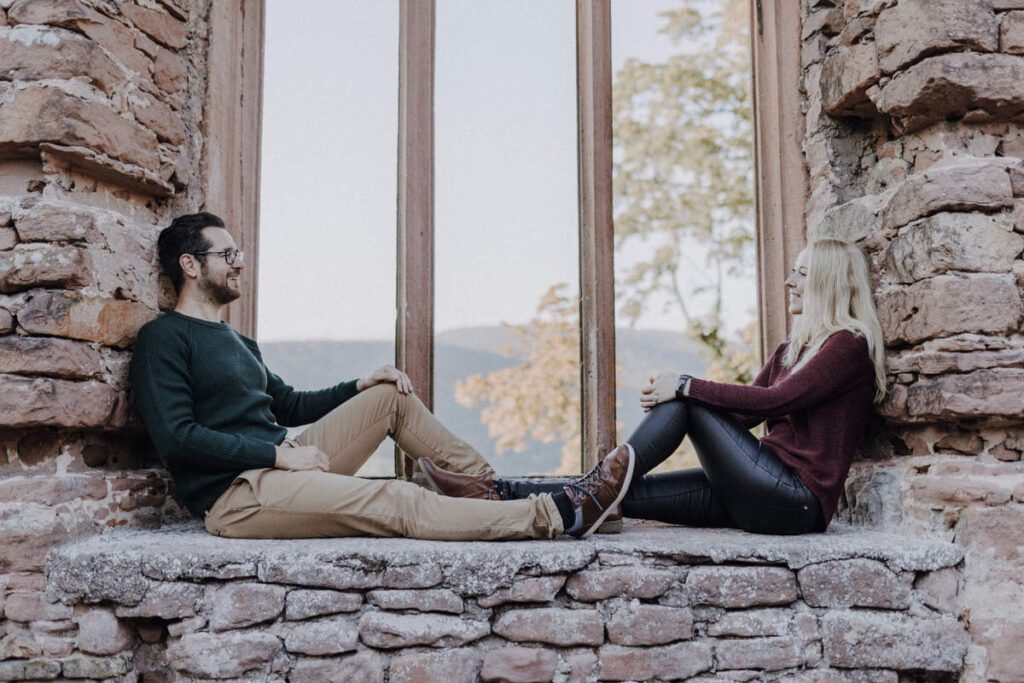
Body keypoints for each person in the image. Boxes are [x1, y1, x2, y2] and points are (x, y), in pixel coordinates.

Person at [129, 212, 633, 542]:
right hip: (238, 495)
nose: (240, 264)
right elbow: (178, 438)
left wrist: (358, 386)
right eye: (228, 255)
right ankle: (557, 514)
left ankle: (489, 489)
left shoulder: (238, 340)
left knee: (390, 396)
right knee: (394, 497)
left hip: (282, 470)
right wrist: (277, 455)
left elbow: (286, 404)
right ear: (190, 265)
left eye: (240, 254)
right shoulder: (164, 339)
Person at [420, 239, 887, 535]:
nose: (789, 281)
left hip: (795, 501)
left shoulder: (847, 346)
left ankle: (534, 491)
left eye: (801, 274)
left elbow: (774, 401)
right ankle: (494, 492)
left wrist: (683, 386)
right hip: (756, 489)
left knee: (688, 402)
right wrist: (687, 392)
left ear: (825, 280)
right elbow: (746, 418)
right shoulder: (795, 345)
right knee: (615, 496)